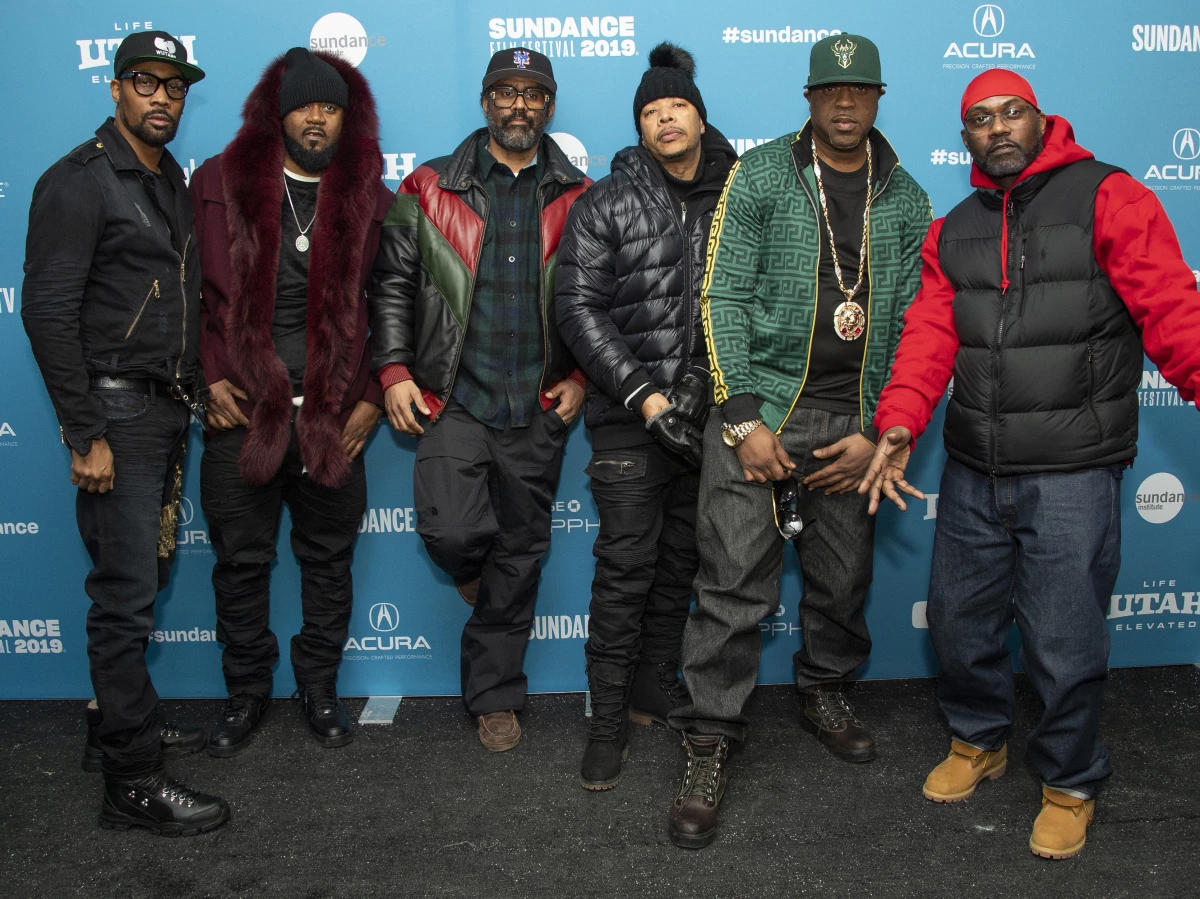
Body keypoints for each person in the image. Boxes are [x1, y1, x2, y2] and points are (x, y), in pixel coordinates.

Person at [861, 68, 1200, 861]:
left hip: (1075, 466)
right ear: (966, 137)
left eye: (1013, 112)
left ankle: (1071, 778)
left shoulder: (1110, 196)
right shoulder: (954, 228)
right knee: (957, 619)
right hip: (977, 466)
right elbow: (930, 334)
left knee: (1063, 635)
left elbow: (1171, 309)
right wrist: (902, 419)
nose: (998, 127)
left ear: (1043, 118)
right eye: (980, 119)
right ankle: (980, 738)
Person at [664, 34, 932, 848]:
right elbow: (720, 295)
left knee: (842, 575)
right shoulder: (760, 175)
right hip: (762, 409)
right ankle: (709, 738)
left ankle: (824, 688)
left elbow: (923, 327)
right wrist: (742, 418)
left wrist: (881, 431)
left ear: (879, 98)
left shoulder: (907, 197)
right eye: (830, 92)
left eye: (860, 92)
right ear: (809, 98)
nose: (846, 105)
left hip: (850, 422)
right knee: (733, 582)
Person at [21, 31, 229, 835]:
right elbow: (46, 311)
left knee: (144, 574)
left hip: (165, 410)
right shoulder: (79, 182)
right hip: (114, 415)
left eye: (175, 87)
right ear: (114, 89)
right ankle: (131, 781)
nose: (163, 98)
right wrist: (84, 431)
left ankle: (113, 726)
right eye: (145, 82)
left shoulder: (169, 177)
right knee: (126, 598)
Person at [368, 48, 589, 752]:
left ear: (550, 106)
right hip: (452, 399)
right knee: (456, 534)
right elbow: (392, 287)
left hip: (537, 406)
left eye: (532, 93)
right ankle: (471, 574)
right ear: (485, 102)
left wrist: (581, 377)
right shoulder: (428, 186)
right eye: (504, 92)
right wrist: (395, 369)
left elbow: (597, 300)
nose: (518, 105)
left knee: (521, 553)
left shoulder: (581, 194)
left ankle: (495, 695)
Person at [188, 48, 390, 756]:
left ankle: (319, 688)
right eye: (304, 105)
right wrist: (200, 376)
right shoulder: (218, 185)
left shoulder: (374, 201)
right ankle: (245, 693)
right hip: (242, 415)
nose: (315, 118)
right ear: (279, 112)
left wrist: (371, 394)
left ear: (346, 118)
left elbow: (399, 308)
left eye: (329, 107)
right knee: (239, 564)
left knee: (328, 561)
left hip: (332, 420)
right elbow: (183, 293)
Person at [555, 43, 736, 790]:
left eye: (676, 107)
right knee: (627, 566)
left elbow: (745, 301)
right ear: (640, 127)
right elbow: (576, 305)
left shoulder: (741, 193)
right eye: (650, 112)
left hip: (712, 412)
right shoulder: (607, 199)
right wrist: (646, 395)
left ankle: (649, 687)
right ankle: (603, 725)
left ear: (699, 115)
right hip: (630, 415)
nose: (665, 119)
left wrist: (696, 384)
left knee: (683, 565)